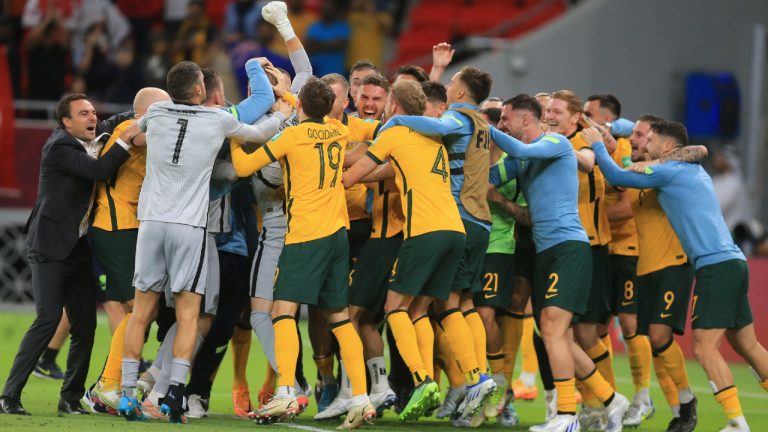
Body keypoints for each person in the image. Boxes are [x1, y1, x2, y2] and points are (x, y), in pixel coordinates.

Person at [116, 60, 286, 423]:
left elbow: (131, 134)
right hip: (188, 227)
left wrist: (148, 142)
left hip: (151, 222)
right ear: (200, 92)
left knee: (141, 309)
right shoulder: (216, 119)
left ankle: (128, 394)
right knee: (190, 313)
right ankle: (174, 393)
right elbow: (256, 136)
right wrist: (282, 114)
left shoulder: (157, 111)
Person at [589, 120, 768, 432]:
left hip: (715, 266)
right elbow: (654, 151)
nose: (644, 144)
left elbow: (618, 175)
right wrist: (614, 126)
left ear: (668, 146)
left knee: (704, 348)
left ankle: (737, 423)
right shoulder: (691, 170)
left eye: (651, 140)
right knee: (747, 346)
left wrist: (595, 143)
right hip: (733, 262)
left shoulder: (668, 172)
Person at [230, 77, 375, 429]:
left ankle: (285, 390)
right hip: (338, 234)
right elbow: (311, 107)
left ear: (299, 108)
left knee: (282, 312)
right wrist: (289, 94)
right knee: (339, 317)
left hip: (305, 234)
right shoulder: (338, 131)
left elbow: (243, 168)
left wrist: (234, 135)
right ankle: (361, 399)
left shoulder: (291, 136)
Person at [490, 94, 630, 432]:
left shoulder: (554, 143)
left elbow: (521, 150)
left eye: (505, 118)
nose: (501, 124)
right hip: (547, 251)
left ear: (525, 120)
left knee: (553, 330)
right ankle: (612, 400)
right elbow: (491, 177)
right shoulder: (523, 160)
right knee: (558, 335)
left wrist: (480, 124)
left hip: (569, 248)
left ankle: (566, 415)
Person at [378, 66, 499, 424]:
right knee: (462, 303)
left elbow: (437, 125)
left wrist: (397, 124)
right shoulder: (484, 124)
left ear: (460, 95)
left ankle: (473, 377)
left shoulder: (455, 120)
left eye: (451, 85)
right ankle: (475, 377)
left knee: (442, 308)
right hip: (480, 222)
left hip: (454, 217)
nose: (447, 90)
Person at [0, 93, 132, 416]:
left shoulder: (86, 133)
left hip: (76, 248)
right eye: (83, 113)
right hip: (48, 245)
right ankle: (8, 397)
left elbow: (112, 122)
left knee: (85, 325)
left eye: (92, 111)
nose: (92, 118)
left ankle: (70, 398)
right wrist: (126, 141)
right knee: (47, 319)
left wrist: (146, 111)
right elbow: (100, 170)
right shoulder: (59, 147)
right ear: (65, 122)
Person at [343, 79, 467, 422]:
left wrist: (319, 163)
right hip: (455, 231)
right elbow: (387, 172)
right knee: (424, 311)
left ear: (393, 105)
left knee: (393, 307)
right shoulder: (434, 138)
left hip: (422, 232)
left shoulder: (395, 133)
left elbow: (353, 176)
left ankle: (421, 380)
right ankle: (469, 379)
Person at [87, 87, 172, 412]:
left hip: (130, 225)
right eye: (166, 108)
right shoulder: (130, 129)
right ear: (148, 111)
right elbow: (142, 139)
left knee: (135, 311)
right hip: (115, 225)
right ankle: (106, 386)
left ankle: (106, 384)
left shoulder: (138, 128)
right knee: (139, 307)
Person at [584, 93, 654, 427]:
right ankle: (608, 397)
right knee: (596, 328)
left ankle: (643, 396)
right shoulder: (591, 148)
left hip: (628, 248)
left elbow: (628, 207)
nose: (585, 118)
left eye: (590, 113)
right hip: (603, 249)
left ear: (608, 118)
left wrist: (589, 217)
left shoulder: (625, 150)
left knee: (629, 324)